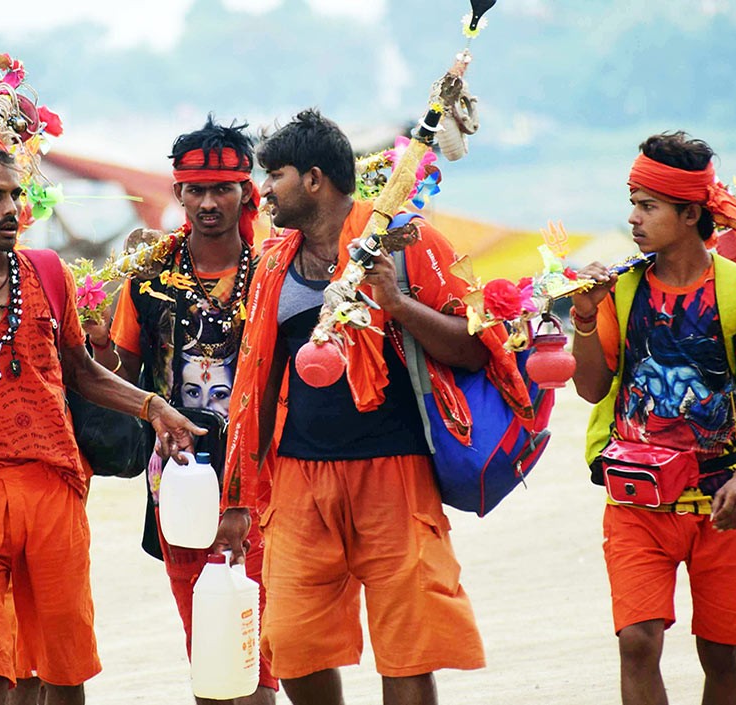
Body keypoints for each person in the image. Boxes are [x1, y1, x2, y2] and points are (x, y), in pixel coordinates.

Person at [217, 109, 516, 705]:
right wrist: (239, 497)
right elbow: (258, 382)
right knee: (293, 645)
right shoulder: (274, 261)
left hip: (395, 474)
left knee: (407, 648)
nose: (262, 190)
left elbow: (479, 349)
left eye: (273, 174)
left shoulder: (406, 239)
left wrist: (398, 304)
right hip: (300, 480)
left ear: (314, 179)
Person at [0, 134, 204, 705]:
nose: (12, 210)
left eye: (16, 196)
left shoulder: (47, 273)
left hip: (54, 487)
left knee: (64, 667)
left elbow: (83, 373)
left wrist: (154, 405)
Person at [571, 131, 736, 705]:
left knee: (721, 652)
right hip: (636, 500)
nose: (633, 218)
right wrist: (583, 317)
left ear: (690, 212)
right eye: (632, 201)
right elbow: (592, 387)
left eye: (648, 205)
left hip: (720, 496)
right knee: (637, 643)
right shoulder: (621, 289)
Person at [84, 117, 277, 704]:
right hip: (180, 476)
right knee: (208, 643)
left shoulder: (273, 274)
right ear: (178, 193)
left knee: (257, 645)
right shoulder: (147, 281)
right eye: (196, 190)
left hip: (266, 476)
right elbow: (119, 379)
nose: (209, 202)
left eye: (223, 189)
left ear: (248, 192)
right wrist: (95, 343)